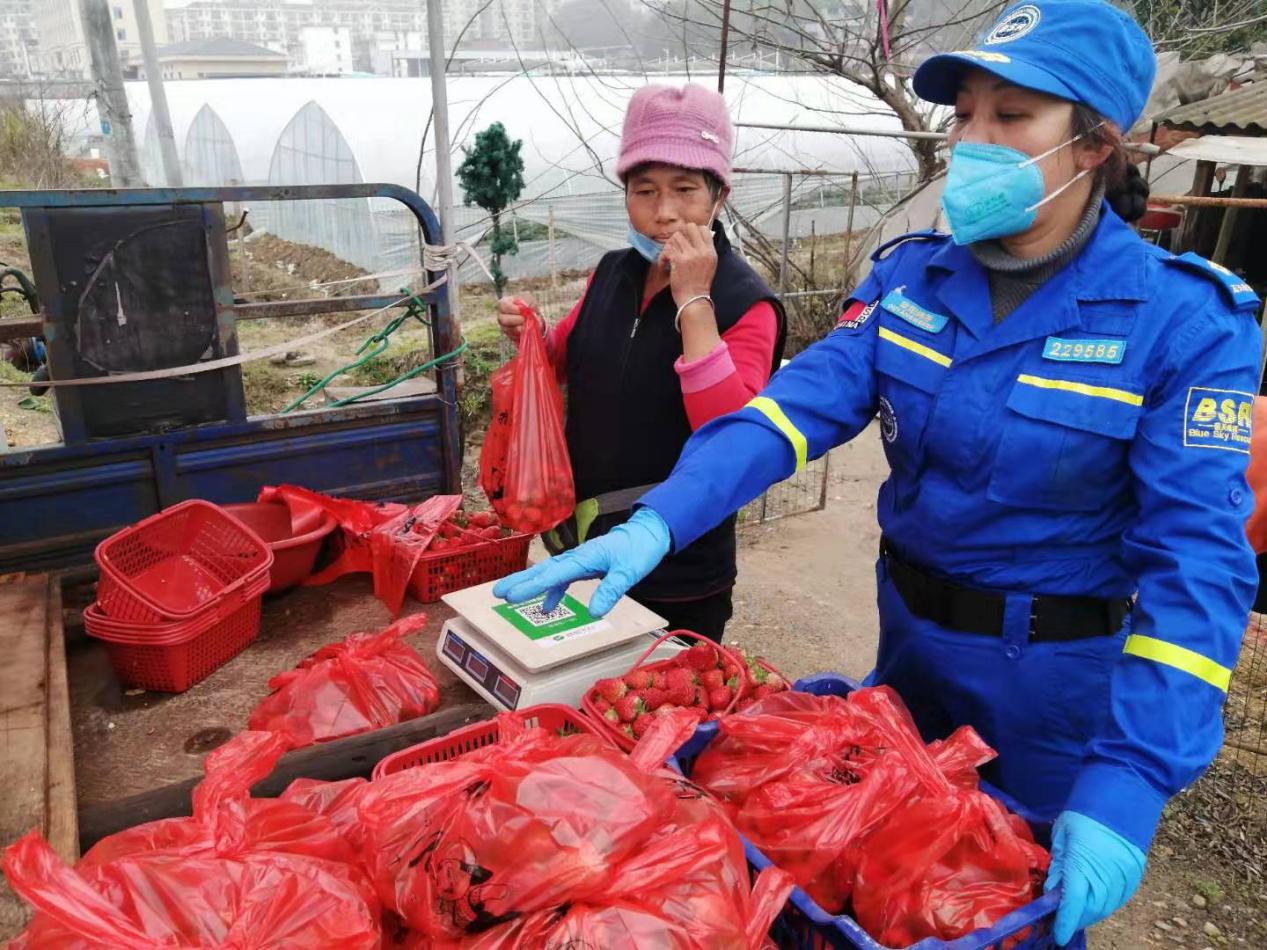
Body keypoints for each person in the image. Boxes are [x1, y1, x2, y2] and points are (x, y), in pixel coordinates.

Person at [495, 1, 1263, 944]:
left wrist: (1131, 781)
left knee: (1000, 910)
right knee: (884, 884)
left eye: (1010, 116)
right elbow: (785, 414)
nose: (972, 141)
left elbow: (1197, 570)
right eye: (963, 114)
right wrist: (655, 522)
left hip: (1054, 694)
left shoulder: (1184, 323)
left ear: (1095, 143)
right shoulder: (908, 281)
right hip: (905, 659)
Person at [494, 83, 786, 643]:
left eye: (685, 190)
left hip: (677, 564)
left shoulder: (746, 302)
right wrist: (530, 334)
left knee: (660, 709)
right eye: (644, 190)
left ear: (719, 196)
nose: (665, 213)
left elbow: (729, 435)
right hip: (583, 544)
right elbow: (566, 356)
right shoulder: (612, 272)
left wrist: (694, 301)